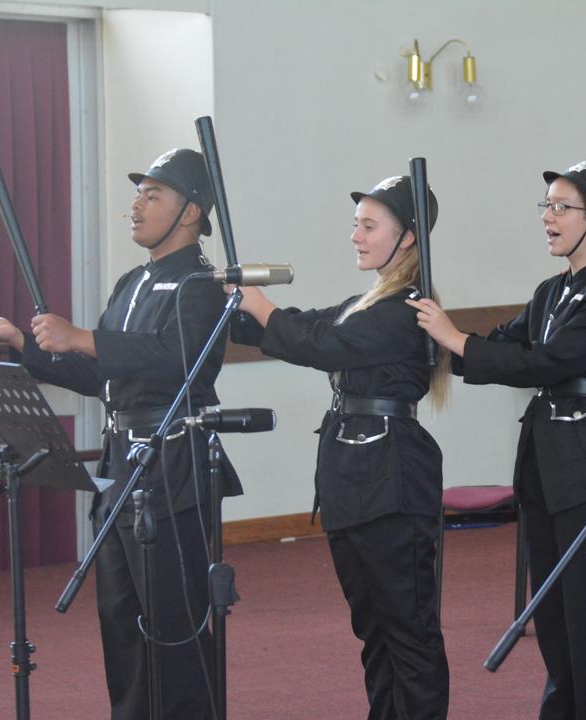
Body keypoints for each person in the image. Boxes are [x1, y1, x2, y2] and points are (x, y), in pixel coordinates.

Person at [0, 148, 239, 719]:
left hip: (174, 467)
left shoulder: (203, 286)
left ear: (191, 212)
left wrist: (84, 336)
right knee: (122, 618)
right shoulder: (130, 282)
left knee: (174, 623)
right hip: (121, 469)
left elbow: (178, 360)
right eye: (137, 194)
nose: (135, 205)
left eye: (152, 194)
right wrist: (23, 342)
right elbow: (103, 376)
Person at [407, 160, 586, 720]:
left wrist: (455, 338)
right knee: (557, 614)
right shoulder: (551, 291)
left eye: (563, 208)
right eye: (547, 207)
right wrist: (436, 338)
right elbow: (502, 345)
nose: (549, 218)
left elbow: (544, 362)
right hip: (546, 461)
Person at [229, 175, 451, 720]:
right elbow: (305, 326)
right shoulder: (367, 300)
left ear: (408, 239)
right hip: (353, 480)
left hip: (392, 482)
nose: (356, 235)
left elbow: (323, 345)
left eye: (369, 226)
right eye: (356, 224)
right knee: (373, 628)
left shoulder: (406, 308)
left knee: (407, 629)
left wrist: (261, 306)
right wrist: (237, 306)